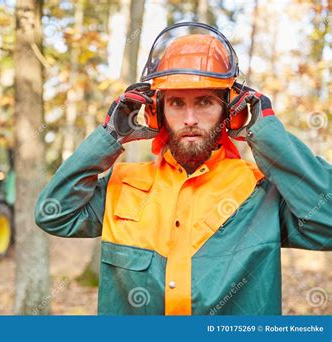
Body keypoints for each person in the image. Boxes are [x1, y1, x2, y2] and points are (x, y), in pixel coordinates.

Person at [34, 22, 331, 315]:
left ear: (231, 112)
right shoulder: (123, 185)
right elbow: (54, 213)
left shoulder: (259, 193)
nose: (190, 118)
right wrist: (108, 137)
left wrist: (267, 135)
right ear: (156, 113)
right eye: (176, 103)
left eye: (204, 102)